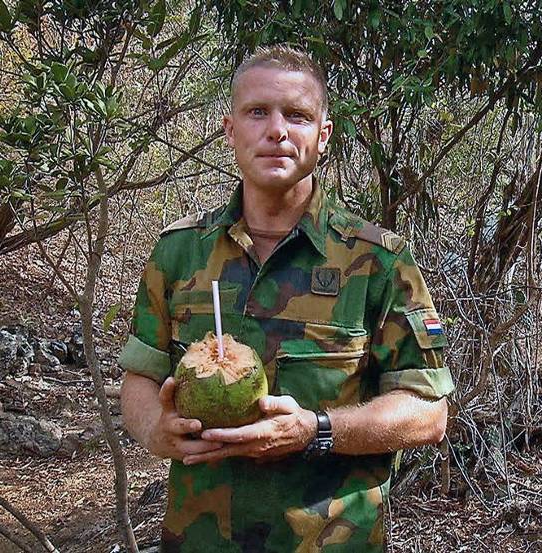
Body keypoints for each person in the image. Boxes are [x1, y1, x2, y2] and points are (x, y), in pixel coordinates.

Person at [119, 44, 454, 552]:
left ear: (323, 134)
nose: (276, 130)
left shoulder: (378, 262)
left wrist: (316, 430)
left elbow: (428, 412)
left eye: (296, 115)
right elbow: (139, 380)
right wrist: (155, 430)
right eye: (258, 112)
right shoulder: (180, 251)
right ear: (230, 130)